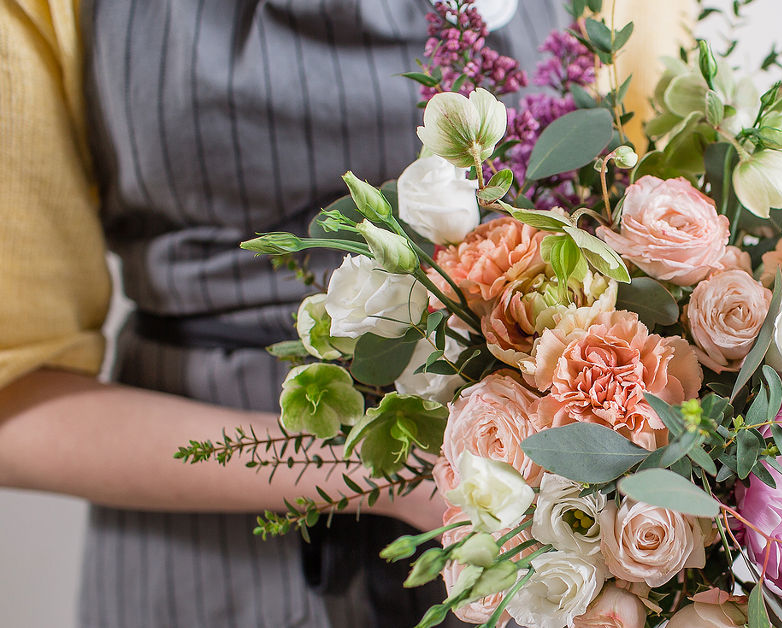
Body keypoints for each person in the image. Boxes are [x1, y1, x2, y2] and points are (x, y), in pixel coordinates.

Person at [0, 0, 688, 624]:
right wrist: (377, 474)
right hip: (205, 567)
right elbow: (13, 403)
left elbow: (661, 233)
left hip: (526, 558)